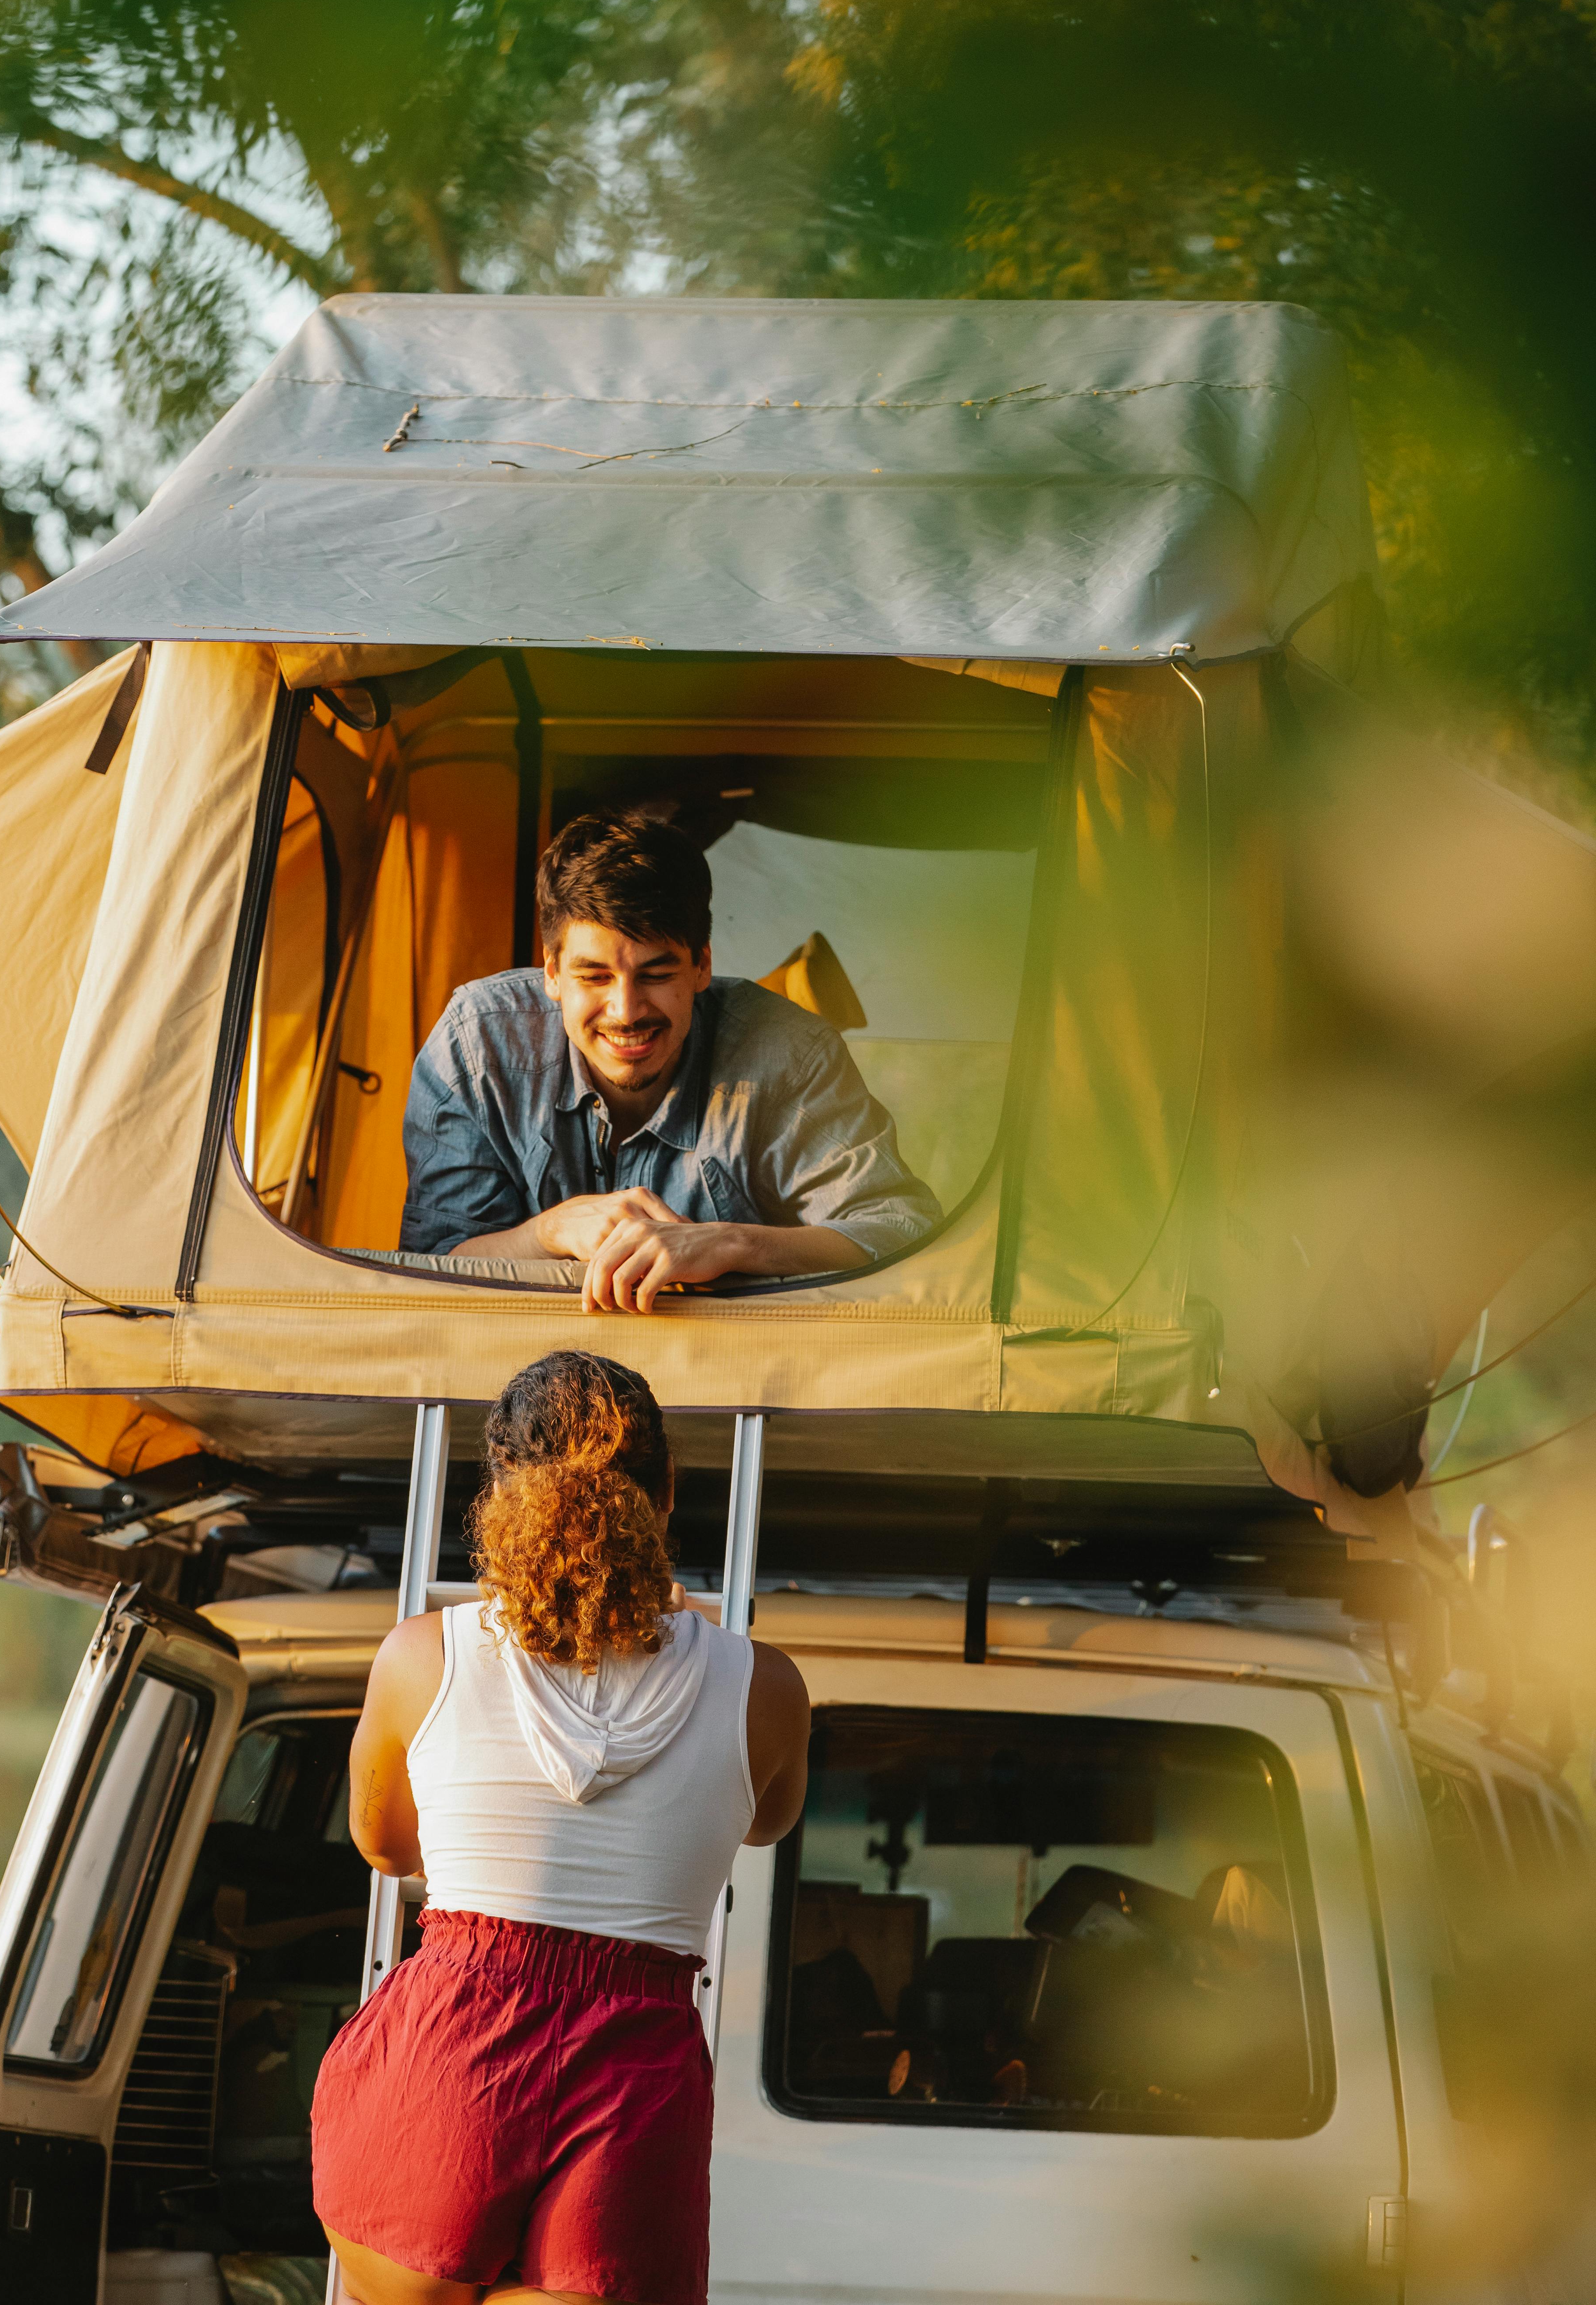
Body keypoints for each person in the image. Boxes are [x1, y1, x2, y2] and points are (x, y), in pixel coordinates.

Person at [312, 1349, 812, 2305]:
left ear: (497, 1493)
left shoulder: (423, 1657)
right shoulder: (764, 1689)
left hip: (449, 2045)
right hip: (634, 2066)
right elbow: (767, 1824)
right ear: (666, 1496)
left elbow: (383, 1847)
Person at [398, 812, 940, 1310]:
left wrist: (731, 1242)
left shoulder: (790, 1052)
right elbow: (429, 1268)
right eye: (594, 977)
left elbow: (901, 1229)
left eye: (657, 974)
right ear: (552, 973)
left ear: (702, 966)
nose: (626, 1011)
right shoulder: (475, 1044)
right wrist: (548, 1233)